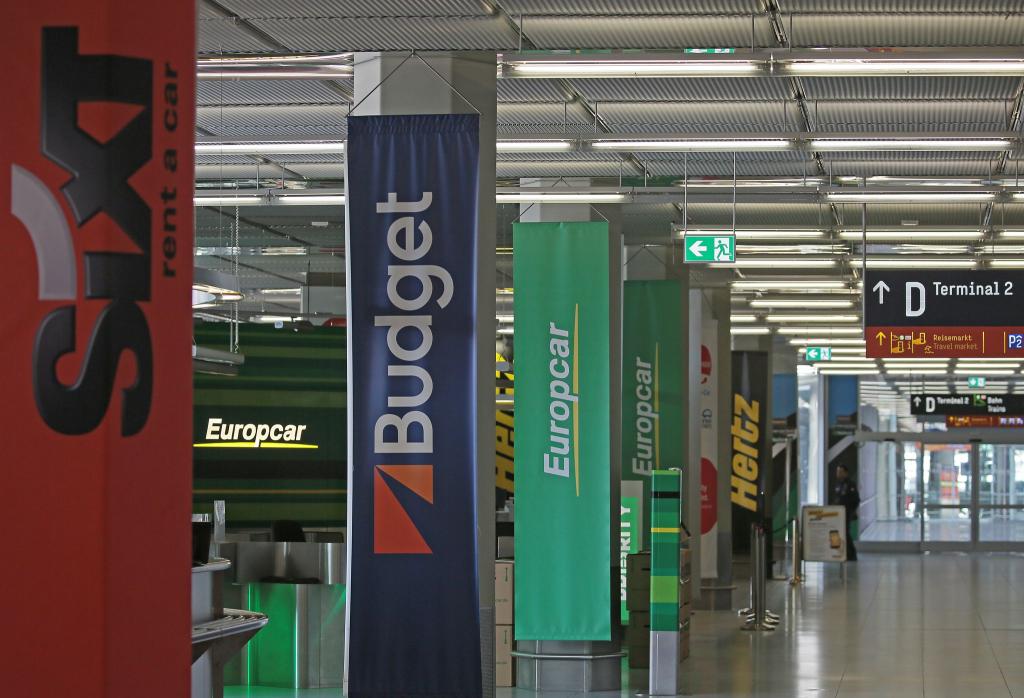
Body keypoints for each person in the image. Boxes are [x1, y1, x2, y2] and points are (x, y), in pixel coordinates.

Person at [831, 464, 860, 561]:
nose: (838, 474)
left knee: (845, 533)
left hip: (846, 513)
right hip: (838, 514)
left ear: (845, 473)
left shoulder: (851, 485)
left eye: (840, 471)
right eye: (837, 471)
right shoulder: (838, 484)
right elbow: (837, 499)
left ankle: (851, 554)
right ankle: (842, 553)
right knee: (840, 533)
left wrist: (851, 512)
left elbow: (856, 500)